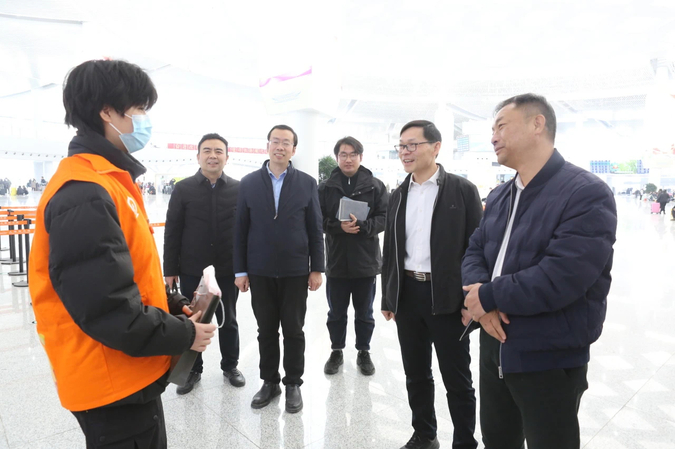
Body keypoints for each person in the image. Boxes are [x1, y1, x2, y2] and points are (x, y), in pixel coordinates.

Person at [28, 59, 216, 449]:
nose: (144, 120)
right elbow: (108, 310)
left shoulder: (107, 180)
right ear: (106, 112)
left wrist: (172, 304)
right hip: (110, 382)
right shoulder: (83, 192)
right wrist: (184, 334)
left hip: (127, 371)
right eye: (139, 109)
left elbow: (121, 276)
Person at [461, 93, 617, 449]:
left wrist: (488, 296)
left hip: (548, 353)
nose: (493, 137)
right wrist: (480, 300)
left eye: (501, 126)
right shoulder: (500, 195)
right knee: (498, 440)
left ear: (537, 124)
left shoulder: (585, 192)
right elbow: (474, 250)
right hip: (494, 343)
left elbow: (564, 275)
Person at [381, 120, 483, 449]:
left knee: (457, 377)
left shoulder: (462, 190)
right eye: (401, 146)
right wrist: (388, 296)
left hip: (448, 297)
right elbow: (390, 250)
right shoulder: (398, 194)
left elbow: (477, 249)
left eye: (412, 145)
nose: (405, 152)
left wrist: (472, 301)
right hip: (408, 295)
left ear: (436, 147)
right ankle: (424, 434)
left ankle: (465, 441)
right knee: (416, 373)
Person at [234, 124, 325, 413]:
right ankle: (270, 382)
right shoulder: (248, 183)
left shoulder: (307, 183)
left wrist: (317, 268)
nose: (280, 147)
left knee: (294, 329)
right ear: (268, 146)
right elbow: (240, 230)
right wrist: (240, 271)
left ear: (293, 150)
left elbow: (315, 228)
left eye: (286, 143)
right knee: (266, 329)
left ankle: (293, 383)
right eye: (276, 141)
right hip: (259, 270)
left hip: (295, 270)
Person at [163, 132, 245, 394]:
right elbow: (172, 231)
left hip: (227, 269)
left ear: (227, 157)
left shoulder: (238, 189)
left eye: (219, 151)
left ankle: (230, 366)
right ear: (198, 156)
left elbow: (246, 232)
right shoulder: (183, 188)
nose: (213, 155)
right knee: (192, 321)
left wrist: (244, 269)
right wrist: (170, 270)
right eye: (207, 150)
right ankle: (192, 370)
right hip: (192, 270)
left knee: (228, 319)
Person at [318, 136, 388, 376]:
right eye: (343, 155)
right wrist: (339, 227)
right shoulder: (326, 188)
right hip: (337, 261)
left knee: (365, 312)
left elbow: (385, 217)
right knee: (336, 313)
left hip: (365, 262)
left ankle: (363, 351)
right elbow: (317, 219)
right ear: (337, 158)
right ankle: (336, 351)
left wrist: (364, 226)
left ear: (361, 156)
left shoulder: (375, 186)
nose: (348, 159)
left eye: (352, 155)